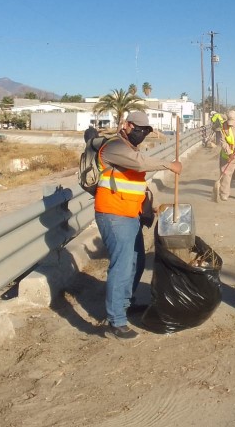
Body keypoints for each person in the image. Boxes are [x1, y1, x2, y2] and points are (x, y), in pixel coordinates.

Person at [94, 110, 183, 340]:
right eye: (139, 129)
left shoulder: (131, 148)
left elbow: (134, 184)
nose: (141, 134)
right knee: (122, 266)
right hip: (113, 214)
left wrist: (146, 207)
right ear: (127, 125)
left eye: (145, 131)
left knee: (137, 262)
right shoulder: (115, 147)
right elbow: (140, 164)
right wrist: (168, 165)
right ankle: (116, 321)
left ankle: (125, 304)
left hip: (129, 213)